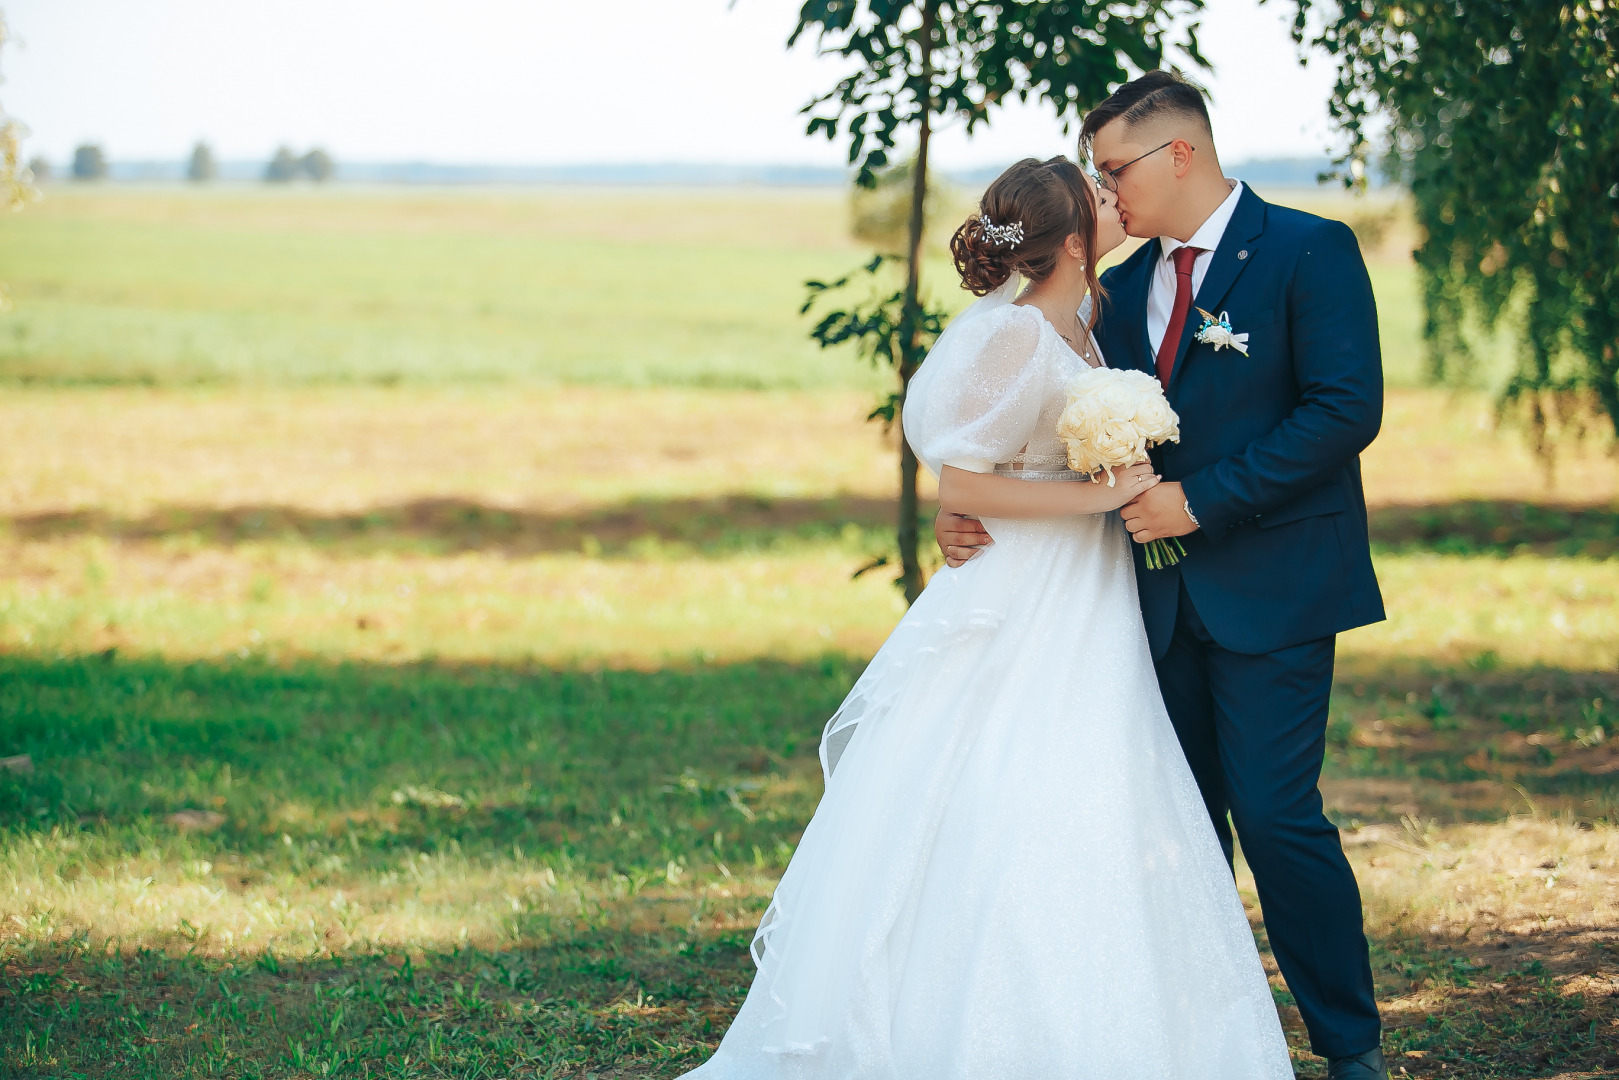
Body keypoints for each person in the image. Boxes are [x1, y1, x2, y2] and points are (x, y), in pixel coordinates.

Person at [681, 157, 1293, 1079]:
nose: (1112, 196)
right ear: (1075, 240)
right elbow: (963, 477)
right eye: (1097, 194)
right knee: (1013, 772)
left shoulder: (1085, 319)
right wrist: (1097, 499)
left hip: (1086, 592)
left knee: (1094, 772)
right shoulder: (1013, 335)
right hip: (1033, 586)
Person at [938, 71, 1389, 1080]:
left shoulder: (1309, 252)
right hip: (1140, 603)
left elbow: (1341, 410)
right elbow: (1043, 421)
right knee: (1173, 832)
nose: (1104, 193)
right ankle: (1191, 1044)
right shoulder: (1122, 289)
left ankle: (1348, 1047)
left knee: (1276, 817)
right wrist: (962, 506)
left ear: (1177, 153)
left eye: (1112, 169)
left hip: (1272, 587)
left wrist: (1200, 500)